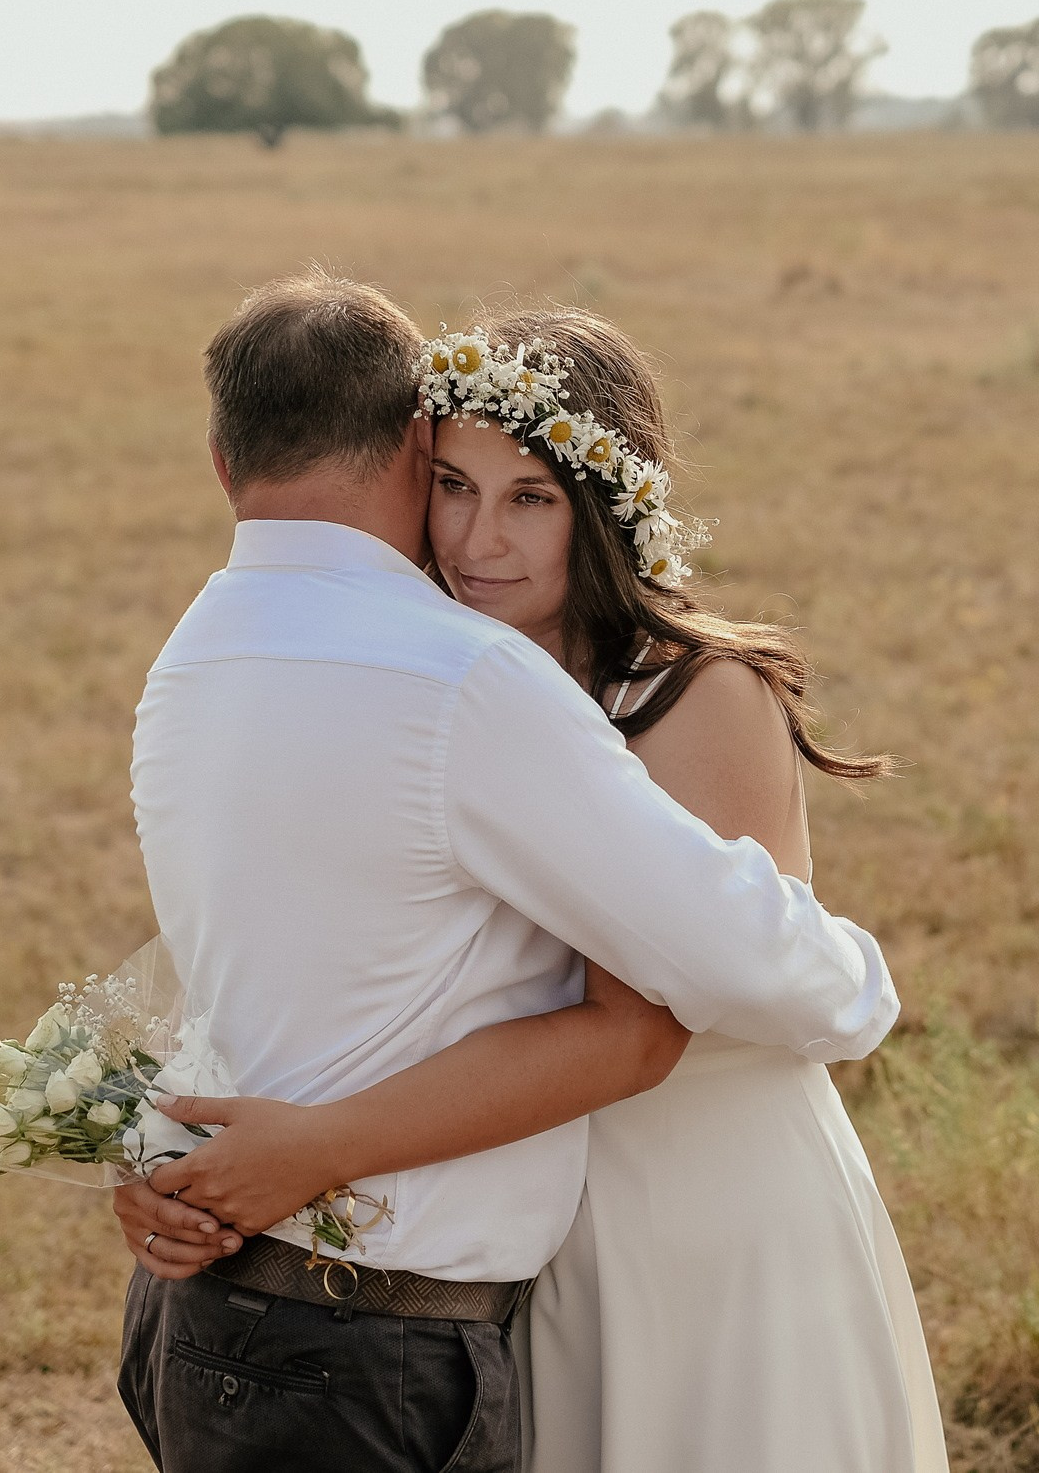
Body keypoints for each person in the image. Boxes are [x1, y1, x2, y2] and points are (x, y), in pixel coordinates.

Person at [109, 274, 900, 1473]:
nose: (481, 539)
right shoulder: (437, 676)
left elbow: (712, 984)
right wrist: (162, 1149)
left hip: (688, 1205)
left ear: (605, 507)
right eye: (455, 488)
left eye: (531, 498)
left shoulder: (678, 691)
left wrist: (849, 970)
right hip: (497, 1216)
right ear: (407, 467)